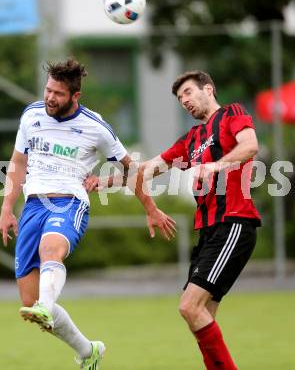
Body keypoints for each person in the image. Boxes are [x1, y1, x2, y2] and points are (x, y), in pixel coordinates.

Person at [0, 58, 176, 370]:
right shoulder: (32, 115)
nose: (50, 97)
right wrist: (6, 208)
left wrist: (150, 207)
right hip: (32, 206)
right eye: (48, 90)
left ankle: (46, 304)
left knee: (50, 251)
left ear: (75, 96)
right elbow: (18, 163)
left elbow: (130, 170)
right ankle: (87, 350)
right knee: (29, 301)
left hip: (70, 202)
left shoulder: (96, 127)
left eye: (58, 93)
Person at [87, 70, 261, 369]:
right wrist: (103, 182)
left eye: (189, 93)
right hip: (209, 232)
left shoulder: (232, 114)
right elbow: (146, 169)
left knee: (189, 307)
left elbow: (250, 146)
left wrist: (216, 167)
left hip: (234, 222)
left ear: (209, 89)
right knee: (202, 316)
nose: (185, 101)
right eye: (181, 99)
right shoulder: (191, 140)